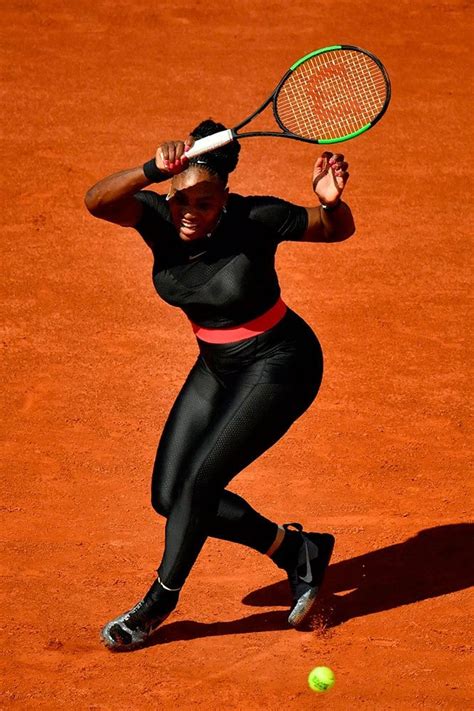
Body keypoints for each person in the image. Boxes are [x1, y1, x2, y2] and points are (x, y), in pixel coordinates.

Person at [85, 119, 355, 651]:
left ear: (224, 200)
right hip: (217, 365)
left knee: (198, 485)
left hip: (282, 363)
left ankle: (157, 604)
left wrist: (329, 203)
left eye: (204, 205)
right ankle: (296, 551)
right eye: (181, 200)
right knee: (170, 496)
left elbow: (334, 230)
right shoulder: (157, 218)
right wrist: (147, 169)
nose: (190, 213)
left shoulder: (257, 217)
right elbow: (97, 201)